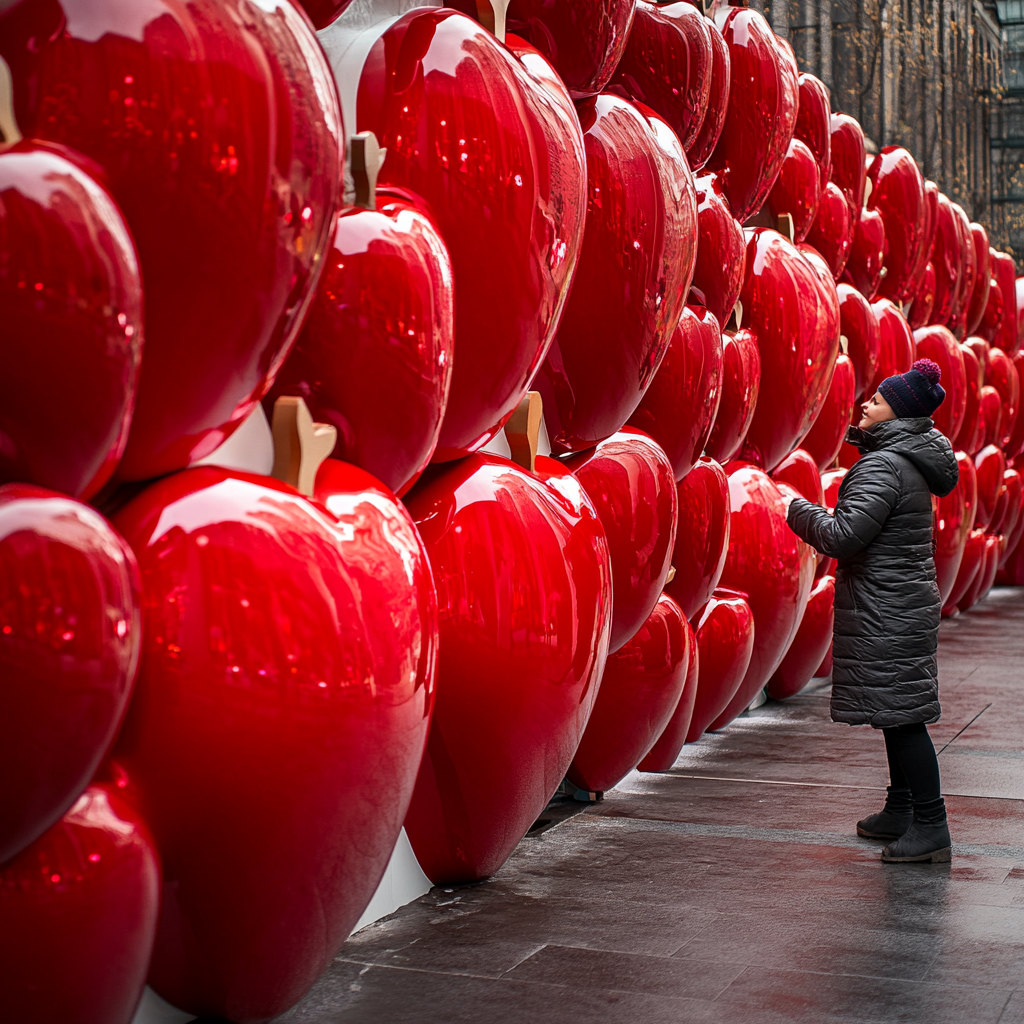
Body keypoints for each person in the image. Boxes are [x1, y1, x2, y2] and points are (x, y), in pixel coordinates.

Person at [786, 358, 959, 864]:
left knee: (905, 720)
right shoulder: (904, 461)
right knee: (896, 712)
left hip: (889, 609)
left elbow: (843, 536)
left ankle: (931, 824)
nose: (866, 403)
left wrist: (797, 509)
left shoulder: (884, 466)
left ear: (897, 417)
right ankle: (901, 808)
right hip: (899, 605)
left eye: (879, 401)